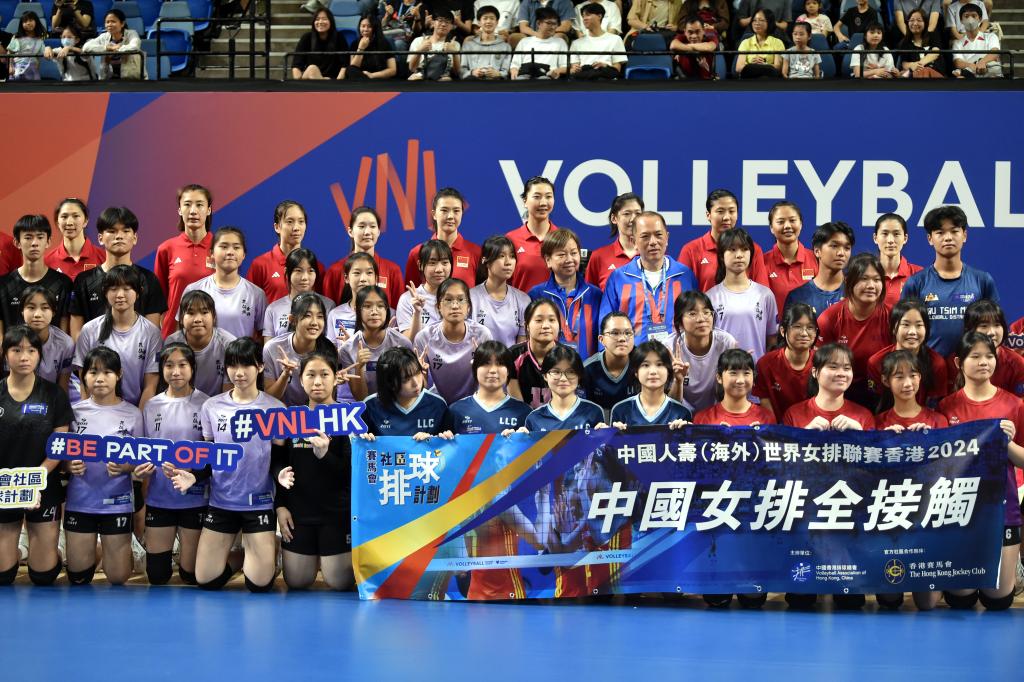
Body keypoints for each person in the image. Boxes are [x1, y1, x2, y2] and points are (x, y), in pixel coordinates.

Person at [165, 338, 285, 592]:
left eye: (246, 365)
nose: (239, 373)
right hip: (221, 503)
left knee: (259, 585)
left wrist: (280, 474)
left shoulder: (276, 408)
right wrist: (194, 477)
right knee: (206, 580)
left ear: (260, 367)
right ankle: (240, 558)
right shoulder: (212, 406)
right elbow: (211, 455)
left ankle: (266, 550)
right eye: (232, 366)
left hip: (259, 503)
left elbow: (278, 456)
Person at [938, 331, 1024, 611]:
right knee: (960, 598)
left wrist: (1008, 444)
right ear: (958, 362)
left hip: (1002, 507)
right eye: (975, 356)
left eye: (989, 356)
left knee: (998, 600)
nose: (983, 362)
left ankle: (1015, 568)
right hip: (959, 507)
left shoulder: (1014, 404)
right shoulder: (946, 406)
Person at [273, 351, 354, 590]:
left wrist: (325, 456)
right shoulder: (291, 418)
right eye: (310, 375)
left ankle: (328, 557)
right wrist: (280, 505)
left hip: (336, 514)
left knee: (340, 582)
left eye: (324, 375)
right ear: (301, 380)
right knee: (297, 581)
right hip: (299, 513)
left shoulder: (349, 418)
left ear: (336, 378)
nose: (317, 381)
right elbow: (277, 461)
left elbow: (351, 472)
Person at [64, 346, 144, 586]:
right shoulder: (73, 412)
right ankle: (97, 550)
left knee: (118, 577)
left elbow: (141, 458)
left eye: (107, 372)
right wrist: (68, 465)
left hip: (116, 502)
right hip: (80, 500)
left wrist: (126, 467)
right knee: (78, 578)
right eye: (93, 372)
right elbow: (60, 453)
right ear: (83, 376)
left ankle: (129, 549)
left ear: (119, 375)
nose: (99, 379)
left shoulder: (133, 413)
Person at [0, 326, 73, 587]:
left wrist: (34, 480)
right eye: (16, 350)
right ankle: (19, 550)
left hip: (43, 484)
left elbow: (59, 446)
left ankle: (57, 549)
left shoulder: (54, 395)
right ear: (5, 354)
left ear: (39, 355)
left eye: (31, 350)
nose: (24, 356)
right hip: (4, 486)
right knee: (2, 576)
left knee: (43, 576)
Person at [141, 344, 210, 586]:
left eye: (182, 365)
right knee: (157, 576)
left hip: (195, 497)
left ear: (192, 368)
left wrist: (194, 471)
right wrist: (140, 470)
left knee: (191, 576)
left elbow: (213, 454)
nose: (176, 371)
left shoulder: (207, 404)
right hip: (160, 497)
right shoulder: (151, 406)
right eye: (169, 365)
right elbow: (144, 451)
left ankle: (236, 556)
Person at [902, 205, 999, 356]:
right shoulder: (915, 283)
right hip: (928, 365)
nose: (948, 238)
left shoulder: (983, 280)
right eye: (940, 232)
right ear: (930, 239)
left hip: (972, 364)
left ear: (964, 235)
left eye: (954, 231)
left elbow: (995, 327)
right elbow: (904, 330)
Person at [68, 206, 167, 341]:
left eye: (126, 231)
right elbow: (77, 334)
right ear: (100, 238)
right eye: (112, 231)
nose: (119, 236)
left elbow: (152, 333)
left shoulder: (149, 279)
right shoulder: (84, 280)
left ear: (135, 238)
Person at [600, 211, 698, 344]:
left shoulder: (685, 275)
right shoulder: (618, 278)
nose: (653, 242)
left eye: (658, 235)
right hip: (633, 356)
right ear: (634, 241)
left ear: (667, 238)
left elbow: (696, 319)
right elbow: (605, 327)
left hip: (676, 355)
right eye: (645, 236)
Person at [73, 266, 162, 407]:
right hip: (98, 410)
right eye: (113, 289)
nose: (120, 295)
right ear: (105, 292)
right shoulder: (89, 330)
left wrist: (138, 416)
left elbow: (150, 386)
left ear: (138, 292)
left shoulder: (152, 333)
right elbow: (85, 383)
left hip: (136, 410)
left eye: (127, 289)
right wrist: (89, 412)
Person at [816, 253, 892, 407]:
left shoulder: (892, 317)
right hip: (841, 393)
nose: (871, 285)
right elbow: (821, 367)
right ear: (848, 281)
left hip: (884, 393)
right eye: (864, 279)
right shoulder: (829, 318)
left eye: (877, 279)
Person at [415, 278, 494, 404]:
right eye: (448, 300)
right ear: (438, 306)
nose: (455, 306)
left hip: (474, 403)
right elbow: (419, 386)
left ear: (468, 307)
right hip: (439, 402)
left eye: (461, 300)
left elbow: (491, 379)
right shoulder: (424, 337)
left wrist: (482, 368)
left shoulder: (482, 335)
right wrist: (421, 374)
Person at [182, 227, 268, 341]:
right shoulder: (194, 290)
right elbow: (182, 332)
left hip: (241, 353)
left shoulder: (256, 294)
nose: (230, 252)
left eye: (236, 247)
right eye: (224, 247)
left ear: (243, 254)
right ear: (211, 253)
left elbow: (263, 337)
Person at [706, 228, 778, 362]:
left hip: (756, 370)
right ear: (721, 255)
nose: (739, 255)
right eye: (732, 249)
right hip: (723, 370)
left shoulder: (765, 295)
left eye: (744, 249)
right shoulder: (710, 297)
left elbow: (771, 338)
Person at [529, 229, 602, 359]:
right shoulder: (536, 295)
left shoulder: (596, 295)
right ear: (548, 260)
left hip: (586, 369)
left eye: (574, 253)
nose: (569, 259)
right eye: (561, 255)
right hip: (548, 369)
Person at [154, 184, 215, 339]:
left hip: (212, 334)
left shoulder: (220, 247)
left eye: (199, 205)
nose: (193, 211)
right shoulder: (166, 249)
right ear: (180, 210)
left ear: (208, 210)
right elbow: (159, 300)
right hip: (174, 334)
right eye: (187, 204)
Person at [678, 189, 768, 292]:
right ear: (708, 215)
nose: (726, 217)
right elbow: (682, 294)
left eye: (731, 211)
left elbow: (761, 293)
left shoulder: (753, 249)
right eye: (720, 211)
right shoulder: (690, 250)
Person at [866, 298, 948, 408]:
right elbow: (875, 404)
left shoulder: (937, 364)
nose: (912, 332)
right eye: (906, 324)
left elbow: (935, 406)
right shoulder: (876, 362)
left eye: (919, 325)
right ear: (893, 328)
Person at [0, 215, 73, 336]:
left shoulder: (63, 283)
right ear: (17, 243)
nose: (34, 243)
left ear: (48, 242)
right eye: (28, 237)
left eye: (40, 237)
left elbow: (63, 334)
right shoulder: (3, 285)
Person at [667, 290, 738, 413]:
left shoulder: (726, 343)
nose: (701, 319)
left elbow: (730, 394)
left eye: (706, 312)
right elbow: (668, 406)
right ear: (679, 322)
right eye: (692, 313)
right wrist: (678, 381)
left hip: (716, 414)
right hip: (680, 416)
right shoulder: (668, 347)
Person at [338, 285, 412, 401]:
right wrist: (359, 366)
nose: (374, 312)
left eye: (380, 306)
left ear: (387, 310)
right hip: (367, 407)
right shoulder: (348, 349)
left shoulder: (402, 343)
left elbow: (409, 389)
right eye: (367, 306)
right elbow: (361, 398)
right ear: (357, 310)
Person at [263, 293, 338, 407]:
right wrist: (285, 375)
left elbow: (329, 400)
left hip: (315, 411)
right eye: (307, 315)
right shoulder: (272, 348)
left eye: (320, 316)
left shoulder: (328, 349)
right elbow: (269, 397)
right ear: (292, 319)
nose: (314, 322)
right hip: (283, 412)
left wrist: (333, 382)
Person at [323, 207, 404, 309]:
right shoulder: (335, 271)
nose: (367, 232)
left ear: (378, 232)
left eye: (372, 226)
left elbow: (398, 312)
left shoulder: (393, 270)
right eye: (361, 226)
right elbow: (328, 310)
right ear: (350, 231)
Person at [362, 346, 452, 438]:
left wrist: (434, 441)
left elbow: (447, 444)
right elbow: (356, 441)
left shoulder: (438, 405)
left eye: (418, 373)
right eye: (406, 379)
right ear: (390, 383)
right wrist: (364, 441)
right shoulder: (369, 406)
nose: (416, 383)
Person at [783, 343, 875, 431]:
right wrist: (804, 434)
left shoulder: (864, 417)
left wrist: (860, 433)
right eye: (833, 367)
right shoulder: (793, 414)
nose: (841, 374)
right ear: (815, 372)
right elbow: (784, 442)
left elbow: (872, 443)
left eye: (846, 368)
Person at [247, 201, 325, 305]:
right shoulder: (260, 264)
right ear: (277, 227)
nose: (296, 228)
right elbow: (250, 305)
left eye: (301, 221)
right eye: (289, 222)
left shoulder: (317, 267)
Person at [447, 341, 532, 433]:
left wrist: (523, 439)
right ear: (475, 369)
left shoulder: (524, 411)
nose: (493, 370)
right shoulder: (456, 410)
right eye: (486, 364)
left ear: (508, 370)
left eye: (500, 364)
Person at [164, 290, 235, 401]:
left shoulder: (228, 344)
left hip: (217, 405)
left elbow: (228, 391)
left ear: (214, 317)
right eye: (191, 313)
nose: (197, 319)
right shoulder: (172, 343)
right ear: (181, 318)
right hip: (182, 402)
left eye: (204, 312)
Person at [405, 189, 481, 289]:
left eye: (456, 211)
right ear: (434, 214)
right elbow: (410, 293)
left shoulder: (476, 253)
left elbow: (482, 294)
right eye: (444, 210)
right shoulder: (417, 253)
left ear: (462, 214)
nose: (450, 216)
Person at [753, 302, 816, 423]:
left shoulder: (822, 363)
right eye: (797, 326)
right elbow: (766, 407)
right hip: (777, 430)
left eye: (810, 327)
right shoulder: (766, 364)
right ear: (783, 331)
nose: (804, 333)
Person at [609, 340, 691, 427]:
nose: (653, 371)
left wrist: (685, 431)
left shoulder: (682, 412)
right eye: (646, 365)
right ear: (636, 372)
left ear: (668, 371)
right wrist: (614, 433)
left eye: (659, 364)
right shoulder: (620, 410)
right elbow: (610, 436)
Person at [523, 345, 605, 431]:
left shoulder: (594, 412)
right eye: (556, 372)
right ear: (545, 376)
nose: (563, 378)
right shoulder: (534, 418)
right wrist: (518, 437)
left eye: (570, 372)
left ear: (579, 375)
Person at [470, 235, 530, 348]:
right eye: (501, 256)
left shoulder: (523, 300)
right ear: (485, 261)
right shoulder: (470, 297)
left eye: (512, 256)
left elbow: (520, 348)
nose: (508, 262)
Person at [262, 248, 334, 342]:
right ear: (287, 272)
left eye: (310, 271)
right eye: (298, 271)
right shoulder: (273, 309)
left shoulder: (328, 305)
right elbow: (268, 346)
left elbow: (330, 344)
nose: (305, 277)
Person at [783, 221, 854, 316]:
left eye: (847, 248)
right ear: (817, 251)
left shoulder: (856, 293)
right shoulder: (797, 296)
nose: (841, 253)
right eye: (834, 246)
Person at [957, 299, 1024, 398]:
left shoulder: (1017, 364)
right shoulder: (955, 361)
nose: (992, 332)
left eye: (997, 325)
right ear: (969, 329)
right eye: (984, 326)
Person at [761, 200, 816, 317]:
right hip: (774, 328)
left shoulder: (817, 260)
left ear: (801, 224)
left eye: (792, 220)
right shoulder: (762, 263)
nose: (787, 226)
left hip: (811, 328)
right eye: (780, 222)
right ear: (771, 228)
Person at [694, 348, 775, 425]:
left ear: (753, 377)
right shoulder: (703, 419)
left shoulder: (766, 418)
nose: (740, 380)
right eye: (733, 373)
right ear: (719, 378)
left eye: (746, 373)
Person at [508, 298, 565, 408]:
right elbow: (517, 406)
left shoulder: (568, 356)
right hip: (523, 417)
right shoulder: (513, 355)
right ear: (527, 326)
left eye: (552, 320)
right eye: (539, 320)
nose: (546, 326)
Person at [506, 177, 560, 290]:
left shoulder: (563, 239)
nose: (543, 203)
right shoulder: (510, 240)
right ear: (525, 201)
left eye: (548, 196)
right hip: (520, 302)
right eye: (537, 197)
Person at [875, 349, 948, 430]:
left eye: (913, 375)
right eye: (900, 377)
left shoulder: (938, 421)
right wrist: (884, 436)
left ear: (919, 377)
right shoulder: (877, 423)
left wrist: (930, 436)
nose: (908, 384)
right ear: (885, 381)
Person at [582, 312, 637, 417]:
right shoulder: (588, 369)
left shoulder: (643, 364)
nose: (622, 338)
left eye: (628, 333)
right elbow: (582, 410)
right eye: (615, 333)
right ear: (601, 339)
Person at [20, 286, 74, 392]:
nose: (37, 315)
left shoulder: (65, 343)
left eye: (45, 308)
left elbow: (63, 387)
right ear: (22, 311)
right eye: (31, 307)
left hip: (53, 395)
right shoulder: (13, 341)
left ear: (53, 312)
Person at [396, 240, 452, 341]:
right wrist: (417, 313)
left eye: (444, 263)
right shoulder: (408, 299)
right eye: (432, 263)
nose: (439, 269)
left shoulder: (459, 297)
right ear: (420, 265)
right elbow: (408, 342)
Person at [585, 193, 644, 289]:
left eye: (638, 213)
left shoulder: (652, 254)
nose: (633, 219)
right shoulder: (598, 257)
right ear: (614, 218)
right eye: (627, 214)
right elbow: (589, 294)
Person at [325, 252, 377, 348]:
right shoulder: (335, 314)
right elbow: (330, 352)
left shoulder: (386, 314)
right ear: (346, 278)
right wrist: (347, 349)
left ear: (376, 278)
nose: (363, 279)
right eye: (357, 273)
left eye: (369, 273)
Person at [45, 198, 103, 281]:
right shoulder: (47, 262)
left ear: (85, 221)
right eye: (64, 217)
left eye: (76, 216)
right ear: (57, 222)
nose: (69, 223)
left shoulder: (104, 258)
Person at [872, 213, 922, 307]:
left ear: (905, 238)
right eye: (885, 234)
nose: (890, 240)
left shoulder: (919, 274)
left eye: (896, 234)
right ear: (875, 238)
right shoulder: (864, 275)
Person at [569, 3, 627, 80]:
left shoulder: (615, 39)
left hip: (607, 80)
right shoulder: (576, 43)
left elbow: (617, 69)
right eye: (583, 16)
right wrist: (573, 70)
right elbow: (574, 68)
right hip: (583, 80)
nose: (584, 18)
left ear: (599, 16)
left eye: (588, 15)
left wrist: (604, 66)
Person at [82, 9, 143, 80]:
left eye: (113, 22)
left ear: (122, 24)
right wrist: (107, 48)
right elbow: (86, 47)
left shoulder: (132, 33)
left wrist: (119, 49)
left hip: (131, 79)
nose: (109, 25)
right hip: (108, 79)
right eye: (107, 22)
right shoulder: (104, 36)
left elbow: (135, 46)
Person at [509, 8, 569, 79]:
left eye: (555, 24)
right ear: (538, 23)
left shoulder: (560, 42)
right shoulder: (524, 41)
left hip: (547, 77)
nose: (552, 27)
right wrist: (514, 70)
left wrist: (556, 71)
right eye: (549, 23)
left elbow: (564, 66)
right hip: (525, 75)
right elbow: (515, 64)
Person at [291, 9, 349, 80]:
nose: (320, 22)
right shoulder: (306, 38)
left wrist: (338, 82)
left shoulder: (339, 37)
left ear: (331, 21)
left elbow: (345, 65)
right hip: (310, 80)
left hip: (332, 81)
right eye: (317, 19)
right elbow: (296, 65)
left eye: (324, 19)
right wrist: (298, 82)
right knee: (312, 69)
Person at [337, 14, 398, 80]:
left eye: (369, 26)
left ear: (375, 28)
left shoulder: (384, 43)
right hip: (361, 80)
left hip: (379, 79)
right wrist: (361, 49)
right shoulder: (354, 44)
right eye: (363, 26)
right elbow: (353, 68)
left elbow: (392, 70)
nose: (365, 29)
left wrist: (372, 75)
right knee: (350, 70)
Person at [408, 9, 461, 80]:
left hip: (442, 79)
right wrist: (420, 50)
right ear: (433, 23)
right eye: (440, 20)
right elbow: (412, 68)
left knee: (446, 79)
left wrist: (454, 53)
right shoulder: (418, 41)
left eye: (447, 22)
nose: (443, 24)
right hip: (420, 77)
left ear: (452, 26)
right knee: (414, 78)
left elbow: (456, 72)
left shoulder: (455, 44)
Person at [951, 3, 1002, 78]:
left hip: (989, 73)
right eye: (966, 16)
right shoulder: (958, 43)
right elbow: (958, 62)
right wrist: (971, 66)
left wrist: (982, 62)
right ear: (961, 20)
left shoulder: (991, 36)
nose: (970, 19)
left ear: (980, 19)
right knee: (960, 78)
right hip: (970, 76)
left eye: (974, 16)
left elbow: (994, 52)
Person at [461, 5, 512, 80]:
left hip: (496, 82)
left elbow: (506, 71)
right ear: (479, 22)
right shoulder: (468, 45)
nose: (488, 21)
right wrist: (472, 72)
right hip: (473, 82)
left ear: (497, 22)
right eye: (485, 18)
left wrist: (498, 74)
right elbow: (462, 70)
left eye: (492, 18)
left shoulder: (505, 47)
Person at [736, 9, 783, 78]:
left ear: (769, 22)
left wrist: (764, 65)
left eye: (761, 20)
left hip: (769, 79)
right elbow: (738, 68)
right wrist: (752, 66)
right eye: (754, 20)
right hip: (749, 79)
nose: (757, 23)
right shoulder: (745, 42)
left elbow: (778, 67)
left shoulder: (777, 42)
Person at [896, 8, 943, 78]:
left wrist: (917, 65)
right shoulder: (905, 42)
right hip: (916, 76)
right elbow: (904, 64)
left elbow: (935, 53)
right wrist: (913, 66)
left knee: (924, 70)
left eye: (919, 20)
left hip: (936, 75)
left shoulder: (932, 35)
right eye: (912, 20)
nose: (915, 23)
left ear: (925, 23)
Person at [671, 15, 718, 80]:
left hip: (706, 82)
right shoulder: (681, 37)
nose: (694, 36)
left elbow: (709, 47)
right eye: (690, 32)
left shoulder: (710, 37)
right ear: (685, 32)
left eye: (697, 32)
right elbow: (673, 45)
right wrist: (698, 47)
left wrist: (685, 46)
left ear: (703, 30)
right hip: (684, 81)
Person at [6, 12, 47, 81]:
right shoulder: (17, 37)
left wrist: (38, 65)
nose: (28, 23)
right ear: (21, 24)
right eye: (25, 21)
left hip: (33, 68)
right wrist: (10, 66)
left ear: (36, 21)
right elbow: (10, 52)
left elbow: (39, 55)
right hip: (18, 68)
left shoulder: (39, 39)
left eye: (31, 20)